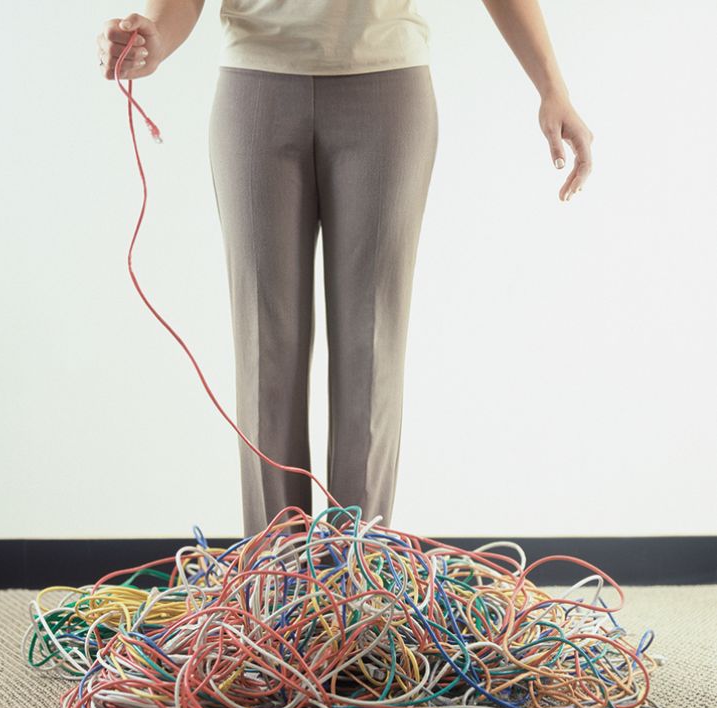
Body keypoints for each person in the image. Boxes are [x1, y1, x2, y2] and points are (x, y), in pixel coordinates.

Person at [96, 1, 593, 538]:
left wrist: (551, 85)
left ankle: (359, 587)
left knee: (371, 349)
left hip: (386, 87)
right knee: (266, 351)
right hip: (256, 85)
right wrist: (154, 40)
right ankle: (276, 584)